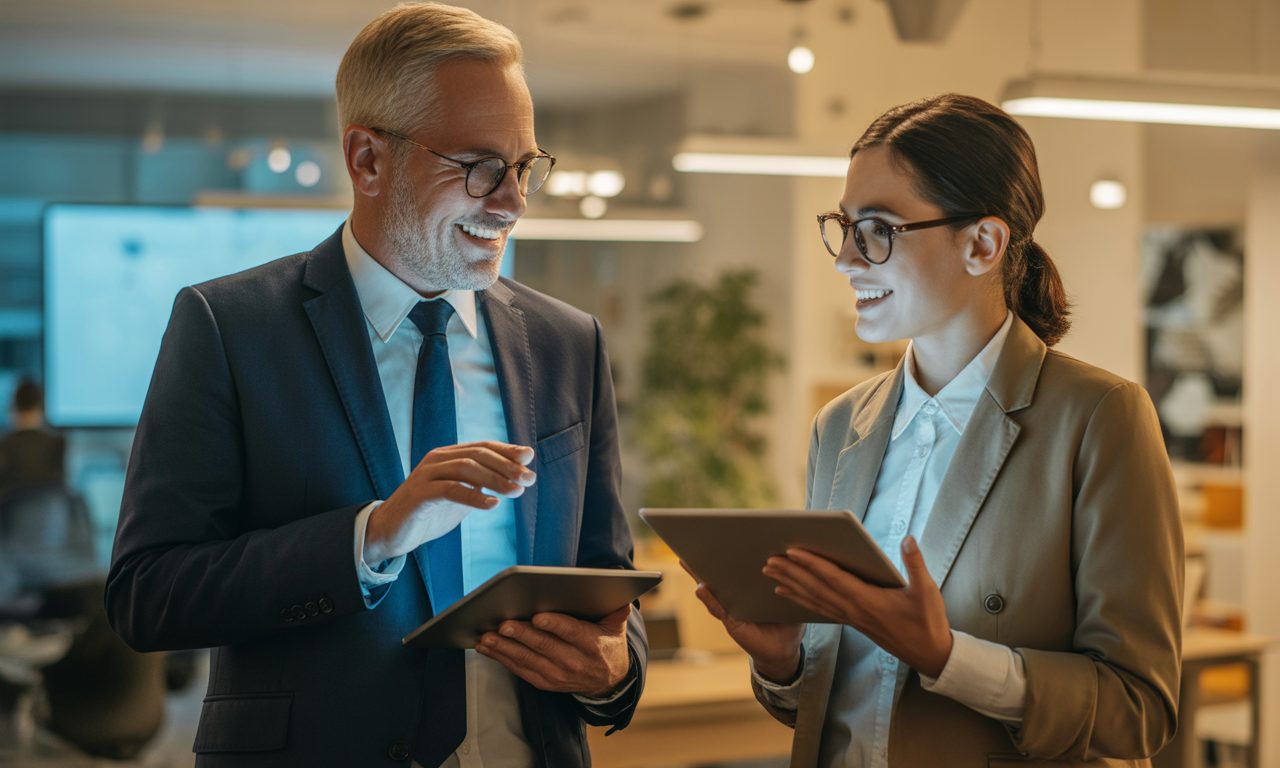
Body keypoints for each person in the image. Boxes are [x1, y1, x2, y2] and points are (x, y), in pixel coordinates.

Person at [105, 4, 647, 765]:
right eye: (480, 167)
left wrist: (614, 672)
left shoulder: (566, 343)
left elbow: (604, 583)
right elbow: (148, 594)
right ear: (367, 160)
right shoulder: (228, 328)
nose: (513, 202)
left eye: (524, 166)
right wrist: (375, 534)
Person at [687, 94, 1182, 767]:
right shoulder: (840, 426)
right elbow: (839, 701)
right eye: (844, 226)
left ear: (982, 243)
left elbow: (1138, 711)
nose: (847, 260)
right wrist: (783, 664)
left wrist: (948, 657)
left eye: (880, 230)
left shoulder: (1100, 417)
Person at [0, 377, 66, 497]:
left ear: (14, 406)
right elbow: (62, 488)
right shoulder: (57, 443)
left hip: (12, 513)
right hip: (50, 513)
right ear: (41, 406)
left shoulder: (5, 445)